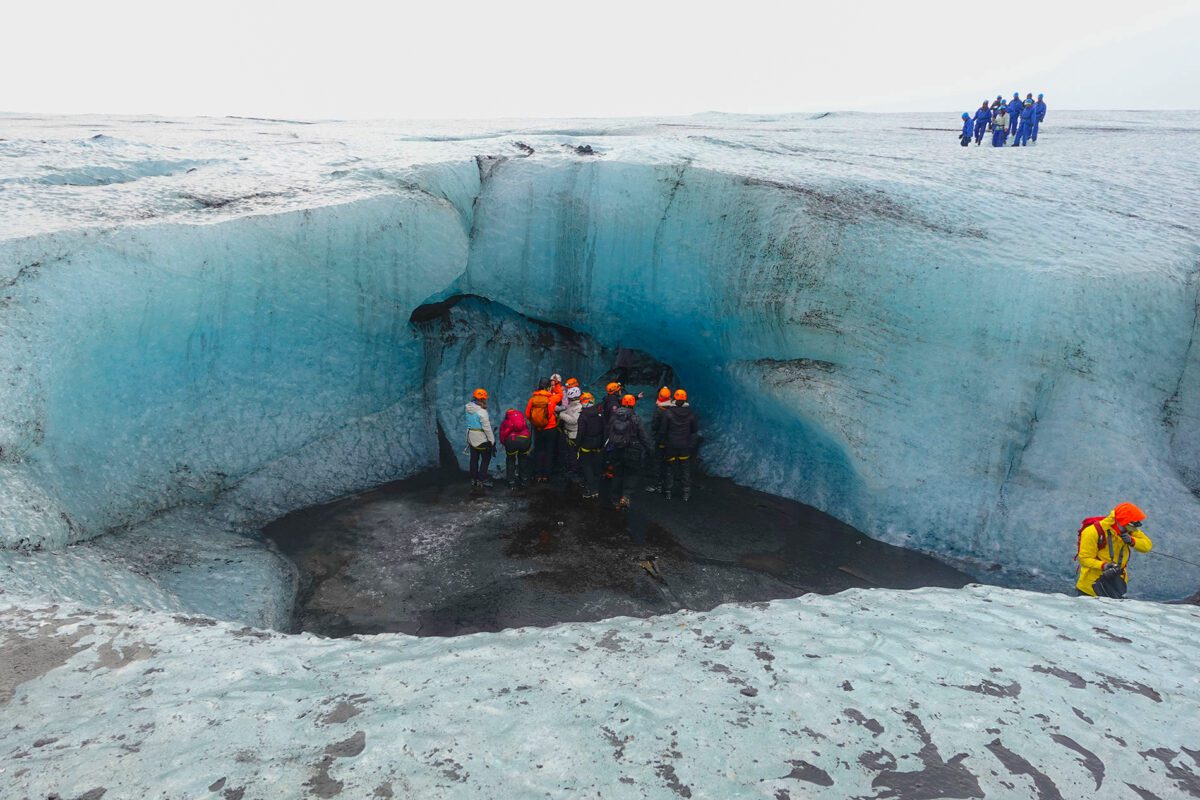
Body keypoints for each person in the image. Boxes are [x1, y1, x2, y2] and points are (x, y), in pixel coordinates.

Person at [1075, 502, 1153, 597]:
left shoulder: (1129, 530)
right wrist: (1104, 565)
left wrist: (1132, 541)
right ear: (1123, 521)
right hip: (1089, 589)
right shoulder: (1092, 532)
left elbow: (1147, 546)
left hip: (1114, 586)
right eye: (1134, 525)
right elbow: (1084, 559)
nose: (1136, 529)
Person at [605, 394, 653, 509]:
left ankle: (615, 500)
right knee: (632, 473)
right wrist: (650, 449)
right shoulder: (635, 419)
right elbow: (643, 437)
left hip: (616, 450)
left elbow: (607, 433)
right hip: (632, 451)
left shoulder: (614, 417)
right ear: (633, 404)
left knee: (617, 474)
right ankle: (625, 495)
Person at [660, 389, 699, 501]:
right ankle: (686, 493)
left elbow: (663, 430)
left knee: (670, 468)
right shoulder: (691, 414)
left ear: (674, 399)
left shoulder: (668, 413)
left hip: (671, 445)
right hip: (684, 446)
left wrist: (662, 442)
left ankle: (668, 492)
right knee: (685, 468)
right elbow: (694, 430)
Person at [526, 378, 559, 482]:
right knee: (549, 451)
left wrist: (537, 422)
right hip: (551, 429)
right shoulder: (551, 398)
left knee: (539, 450)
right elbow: (560, 395)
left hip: (538, 429)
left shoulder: (533, 399)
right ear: (548, 387)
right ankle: (546, 475)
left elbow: (527, 414)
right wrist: (557, 384)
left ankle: (538, 474)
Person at [576, 392, 606, 499]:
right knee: (595, 465)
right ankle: (595, 487)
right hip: (598, 442)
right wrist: (602, 442)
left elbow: (581, 433)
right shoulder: (599, 413)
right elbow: (604, 429)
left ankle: (592, 489)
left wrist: (577, 446)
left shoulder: (583, 416)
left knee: (586, 465)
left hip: (586, 444)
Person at [464, 388, 495, 488]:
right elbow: (487, 428)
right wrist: (492, 441)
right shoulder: (482, 412)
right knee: (486, 459)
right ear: (482, 399)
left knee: (474, 459)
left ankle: (474, 479)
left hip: (471, 438)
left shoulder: (468, 408)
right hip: (481, 439)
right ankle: (481, 480)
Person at [646, 387, 673, 493]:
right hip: (671, 440)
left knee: (658, 462)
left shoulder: (659, 411)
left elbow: (655, 426)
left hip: (661, 440)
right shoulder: (674, 408)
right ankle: (668, 486)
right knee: (668, 463)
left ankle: (658, 484)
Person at [499, 408, 532, 488]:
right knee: (523, 459)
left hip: (511, 441)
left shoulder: (505, 422)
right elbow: (528, 431)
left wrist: (505, 443)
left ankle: (511, 482)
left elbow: (502, 435)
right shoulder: (522, 420)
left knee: (510, 460)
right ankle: (524, 481)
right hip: (524, 439)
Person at [557, 385, 584, 481]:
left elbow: (573, 420)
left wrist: (562, 415)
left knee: (573, 453)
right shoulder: (572, 406)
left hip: (574, 434)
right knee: (570, 452)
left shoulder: (578, 407)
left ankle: (575, 470)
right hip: (569, 432)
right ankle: (573, 468)